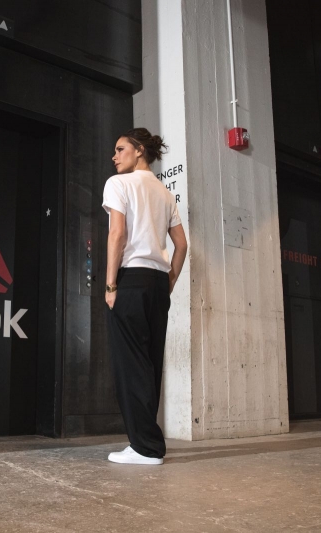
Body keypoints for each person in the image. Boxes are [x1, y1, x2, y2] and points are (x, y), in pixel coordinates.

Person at [102, 128, 188, 466]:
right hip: (157, 283)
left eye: (120, 149)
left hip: (131, 280)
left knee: (130, 365)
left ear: (139, 150)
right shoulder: (165, 193)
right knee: (149, 362)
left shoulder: (118, 184)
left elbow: (117, 234)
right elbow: (181, 245)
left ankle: (146, 447)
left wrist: (111, 286)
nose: (114, 156)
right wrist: (170, 281)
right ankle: (144, 442)